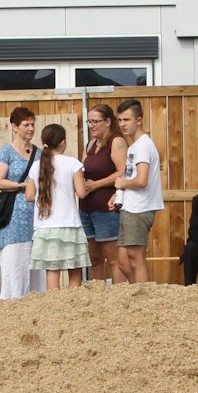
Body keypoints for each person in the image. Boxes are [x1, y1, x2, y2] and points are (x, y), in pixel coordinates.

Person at [27, 123, 90, 291]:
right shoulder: (73, 163)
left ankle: (55, 306)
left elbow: (29, 195)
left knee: (53, 270)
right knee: (74, 268)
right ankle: (73, 305)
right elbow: (82, 193)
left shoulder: (36, 166)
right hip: (70, 224)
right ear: (63, 142)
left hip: (46, 227)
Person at [111, 98, 163, 284]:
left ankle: (145, 297)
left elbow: (141, 180)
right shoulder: (134, 146)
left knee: (136, 258)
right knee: (124, 262)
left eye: (127, 120)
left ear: (139, 120)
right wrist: (117, 193)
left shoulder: (143, 145)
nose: (122, 124)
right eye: (120, 120)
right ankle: (138, 293)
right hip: (130, 206)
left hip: (140, 208)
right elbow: (131, 177)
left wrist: (122, 183)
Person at [0, 106, 39, 299]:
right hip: (13, 219)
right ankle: (11, 303)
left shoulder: (40, 153)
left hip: (36, 216)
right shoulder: (7, 151)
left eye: (32, 124)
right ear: (14, 127)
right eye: (26, 124)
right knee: (14, 262)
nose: (30, 128)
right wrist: (22, 185)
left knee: (35, 265)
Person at [79, 103, 122, 282]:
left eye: (95, 121)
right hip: (86, 208)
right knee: (94, 260)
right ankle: (99, 299)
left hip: (106, 209)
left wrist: (96, 185)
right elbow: (80, 169)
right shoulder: (90, 145)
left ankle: (120, 297)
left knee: (114, 259)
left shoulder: (116, 142)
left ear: (108, 122)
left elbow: (122, 172)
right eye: (89, 121)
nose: (91, 125)